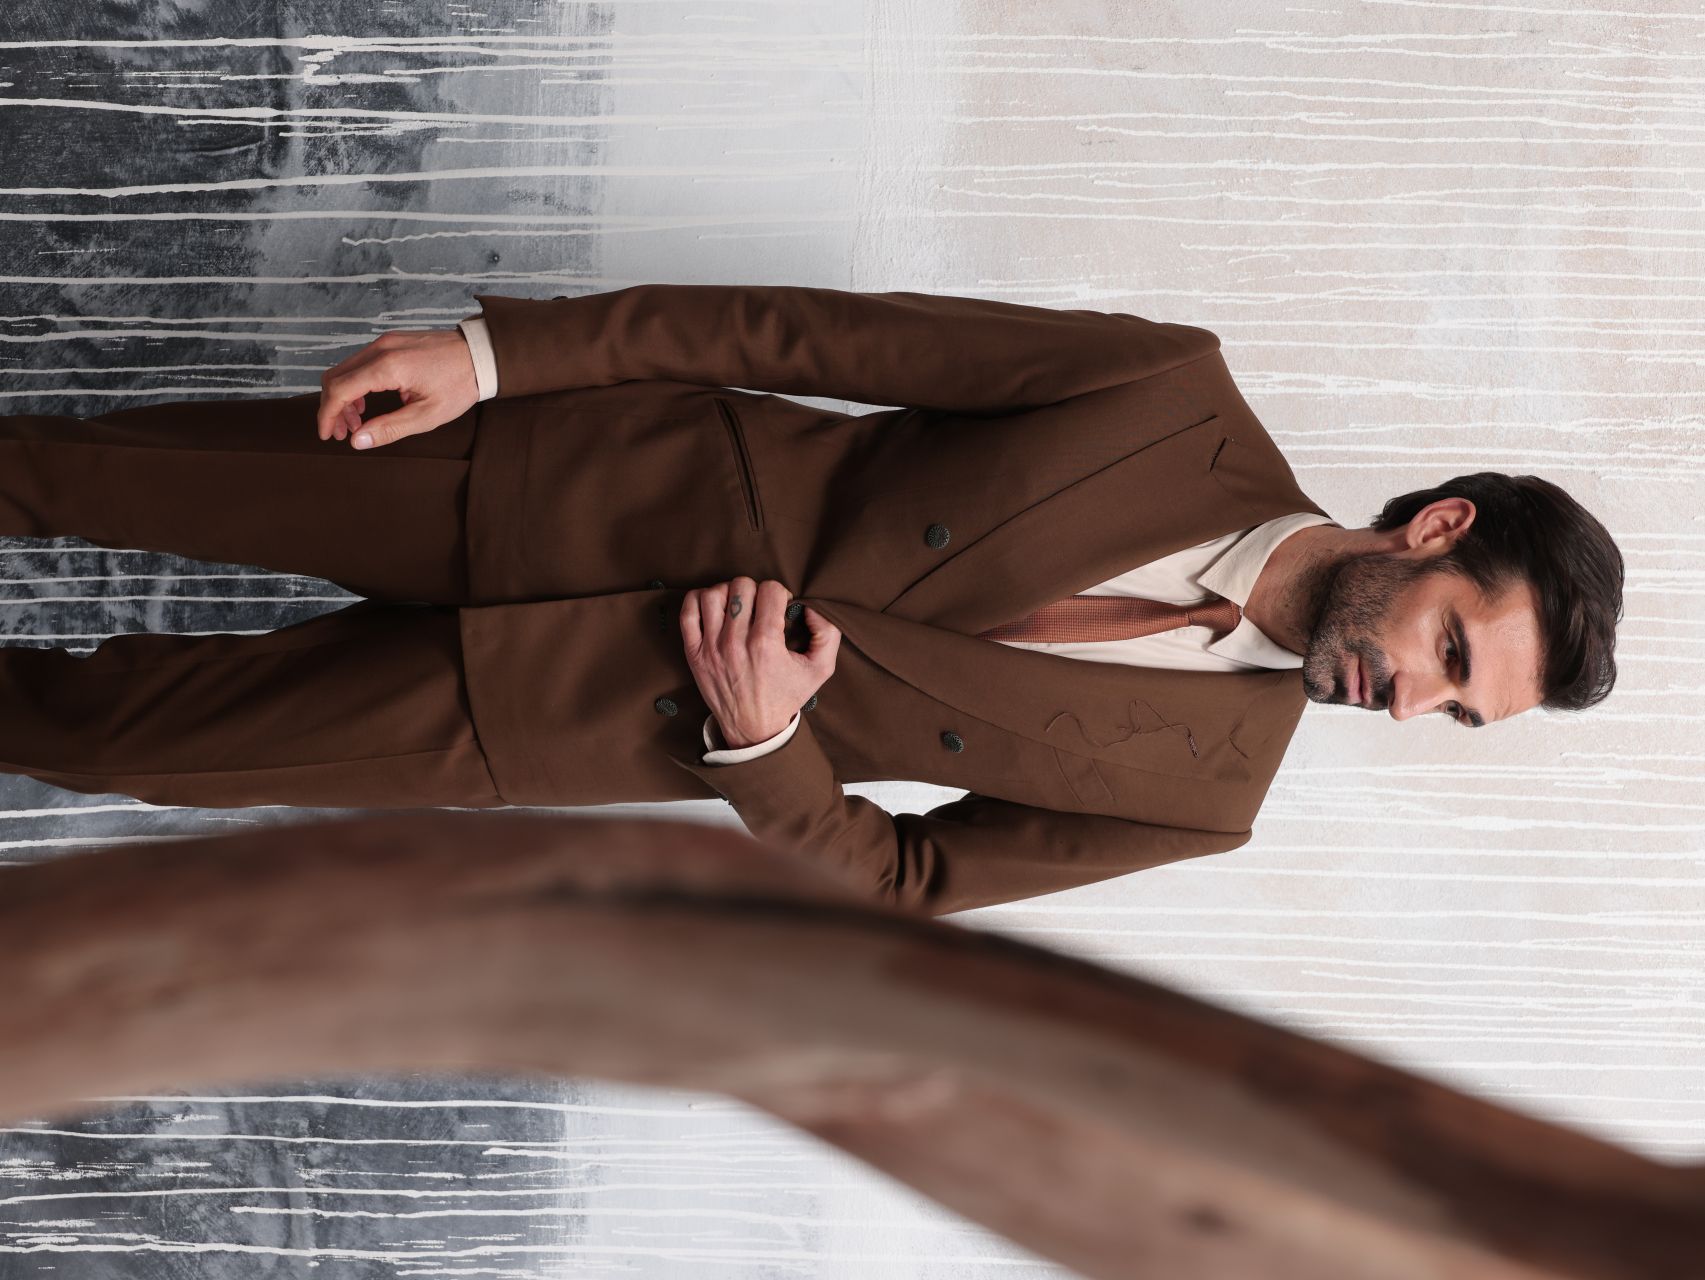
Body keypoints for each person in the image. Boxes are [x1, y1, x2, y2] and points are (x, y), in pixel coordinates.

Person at [0, 284, 1623, 914]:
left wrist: (763, 746)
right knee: (80, 477)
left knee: (117, 741)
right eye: (1448, 648)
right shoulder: (1167, 394)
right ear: (1434, 529)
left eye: (1453, 712)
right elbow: (804, 337)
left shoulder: (1207, 799)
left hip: (555, 721)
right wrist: (498, 359)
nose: (1411, 701)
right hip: (553, 475)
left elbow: (905, 881)